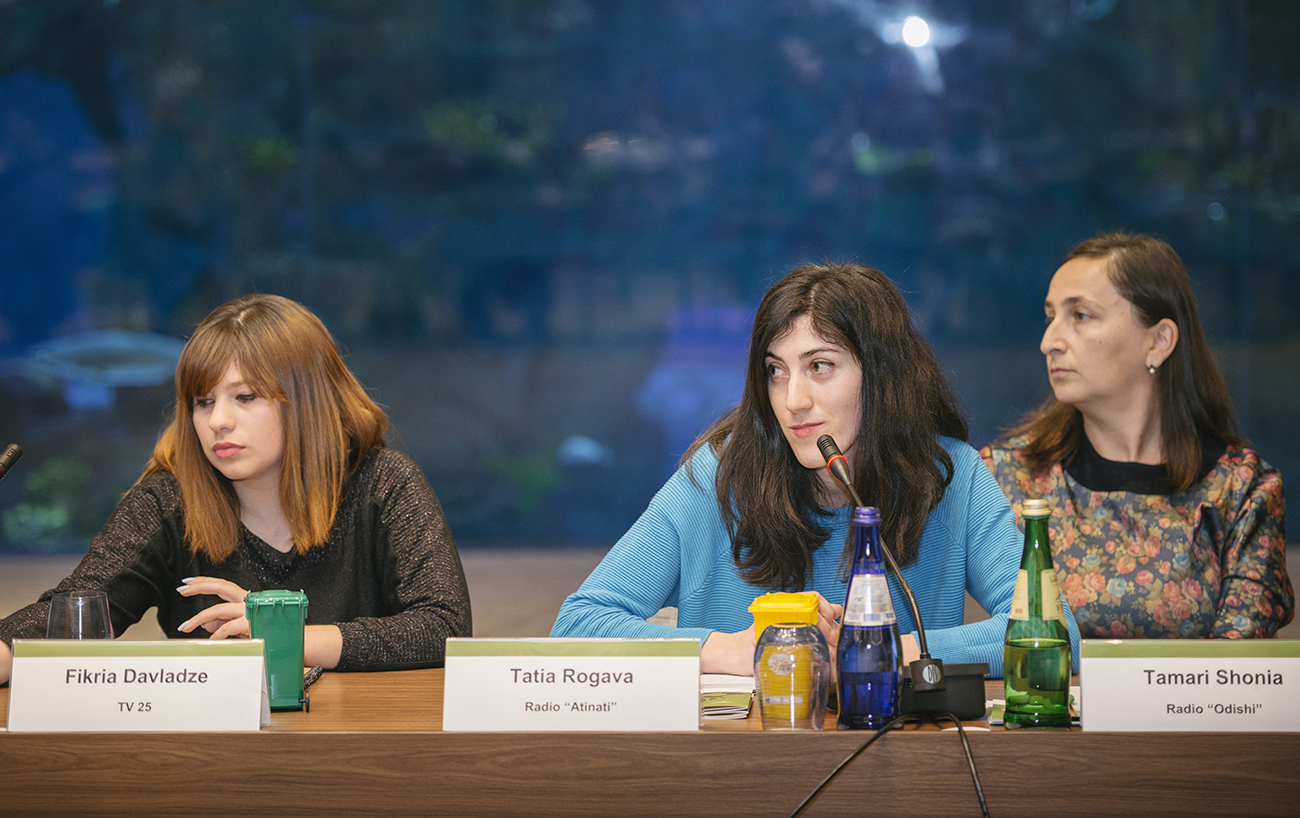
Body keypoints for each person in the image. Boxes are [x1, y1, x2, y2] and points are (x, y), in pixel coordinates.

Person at [552, 262, 1079, 677]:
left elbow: (1055, 633)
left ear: (883, 376)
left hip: (899, 762)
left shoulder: (952, 476)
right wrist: (727, 649)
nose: (793, 401)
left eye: (819, 366)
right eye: (776, 371)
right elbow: (578, 625)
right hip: (737, 763)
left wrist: (877, 648)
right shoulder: (718, 475)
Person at [0, 294, 471, 685]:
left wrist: (282, 636)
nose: (218, 421)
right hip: (211, 752)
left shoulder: (384, 483)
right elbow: (73, 614)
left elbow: (443, 627)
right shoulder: (169, 499)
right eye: (202, 402)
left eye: (245, 397)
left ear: (306, 400)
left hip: (359, 743)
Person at [980, 232, 1293, 639]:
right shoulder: (1005, 476)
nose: (1048, 342)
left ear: (1158, 341)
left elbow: (1238, 666)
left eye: (1081, 316)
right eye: (1050, 317)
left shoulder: (1241, 490)